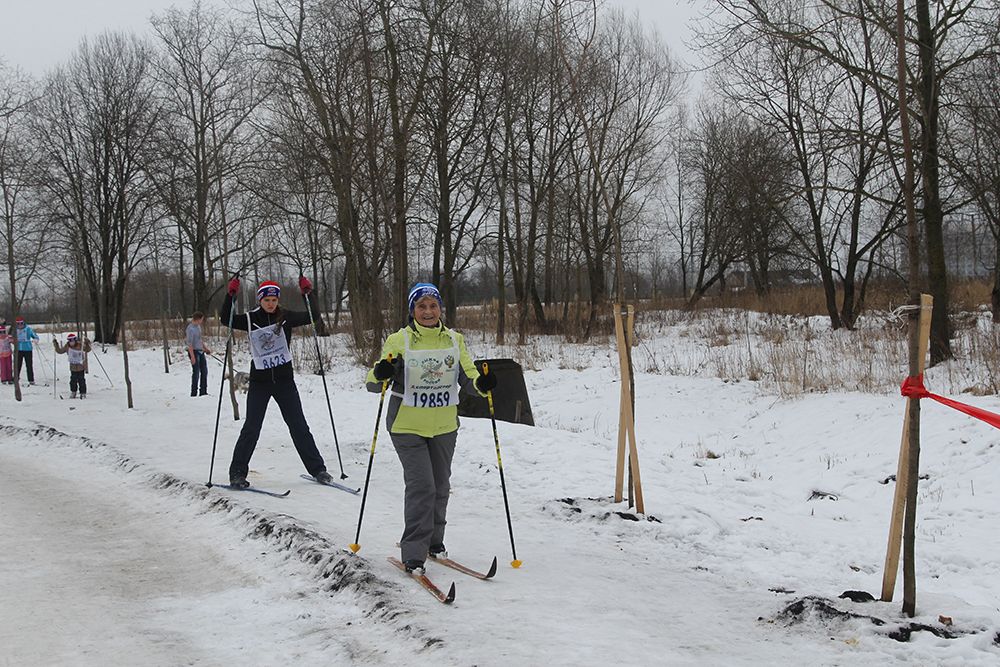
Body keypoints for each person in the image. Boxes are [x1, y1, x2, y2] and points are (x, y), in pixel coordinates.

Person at [365, 282, 497, 573]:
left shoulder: (453, 339)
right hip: (406, 425)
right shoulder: (399, 340)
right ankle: (413, 551)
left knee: (440, 486)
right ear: (412, 309)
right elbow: (373, 384)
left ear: (440, 308)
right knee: (421, 486)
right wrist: (382, 372)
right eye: (421, 306)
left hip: (444, 425)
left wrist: (482, 385)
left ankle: (435, 542)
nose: (427, 311)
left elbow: (469, 376)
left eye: (433, 305)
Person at [220, 277, 333, 488]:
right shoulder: (250, 318)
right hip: (260, 382)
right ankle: (237, 473)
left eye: (274, 299)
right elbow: (225, 319)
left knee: (298, 425)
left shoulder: (285, 316)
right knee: (251, 428)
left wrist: (309, 294)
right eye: (267, 299)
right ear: (260, 300)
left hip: (284, 381)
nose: (271, 303)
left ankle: (318, 469)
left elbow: (313, 315)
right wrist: (231, 295)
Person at [53, 333, 92, 398]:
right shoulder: (67, 346)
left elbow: (87, 350)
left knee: (81, 380)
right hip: (73, 367)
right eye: (70, 341)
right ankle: (73, 391)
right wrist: (56, 344)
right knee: (73, 380)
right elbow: (60, 351)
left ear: (75, 340)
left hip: (81, 367)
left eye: (72, 341)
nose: (71, 342)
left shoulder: (80, 345)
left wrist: (87, 343)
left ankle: (83, 392)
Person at [186, 311, 213, 397]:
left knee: (204, 371)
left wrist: (205, 349)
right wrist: (192, 357)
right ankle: (194, 392)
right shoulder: (190, 329)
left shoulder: (198, 327)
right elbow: (189, 344)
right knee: (196, 372)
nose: (202, 321)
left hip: (200, 351)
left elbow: (199, 340)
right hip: (193, 351)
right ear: (197, 319)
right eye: (201, 319)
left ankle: (203, 391)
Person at [14, 317, 39, 384]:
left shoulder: (28, 329)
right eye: (18, 324)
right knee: (17, 365)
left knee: (29, 365)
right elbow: (10, 337)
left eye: (21, 323)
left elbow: (35, 336)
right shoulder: (14, 330)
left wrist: (35, 339)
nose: (20, 325)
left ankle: (31, 379)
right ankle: (16, 378)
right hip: (18, 350)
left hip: (27, 349)